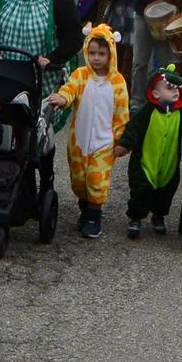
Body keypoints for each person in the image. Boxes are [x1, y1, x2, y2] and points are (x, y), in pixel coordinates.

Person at [46, 25, 130, 240]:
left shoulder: (118, 82)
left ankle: (94, 215)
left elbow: (122, 113)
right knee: (79, 180)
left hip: (104, 143)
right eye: (92, 53)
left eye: (102, 53)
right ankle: (85, 208)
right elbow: (70, 89)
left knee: (96, 179)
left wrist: (122, 140)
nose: (96, 58)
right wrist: (63, 98)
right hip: (79, 140)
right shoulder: (81, 74)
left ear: (111, 54)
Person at [118, 64, 182, 238]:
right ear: (155, 93)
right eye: (169, 88)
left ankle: (159, 216)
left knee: (166, 191)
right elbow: (134, 128)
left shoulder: (180, 113)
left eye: (177, 89)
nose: (175, 92)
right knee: (141, 189)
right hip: (145, 161)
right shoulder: (148, 111)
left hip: (169, 163)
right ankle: (135, 218)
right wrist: (125, 144)